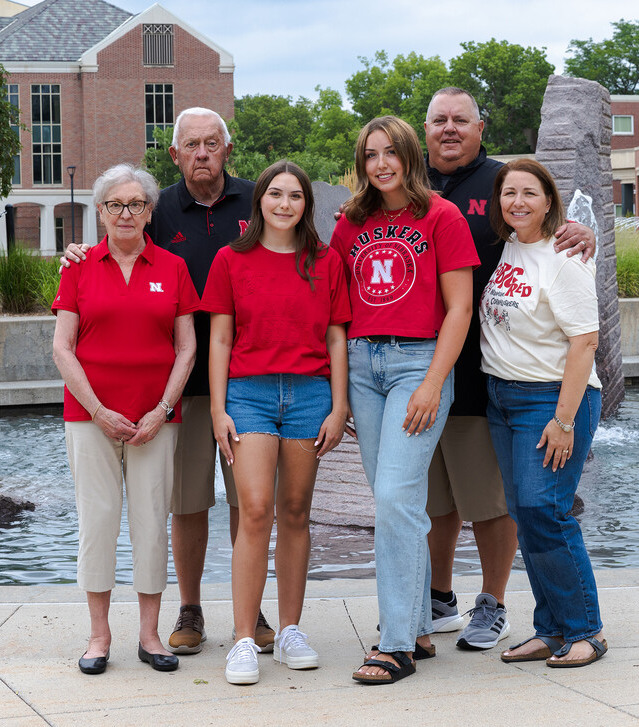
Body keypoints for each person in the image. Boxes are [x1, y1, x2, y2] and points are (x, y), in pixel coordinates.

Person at [62, 108, 278, 654]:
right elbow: (119, 239)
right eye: (191, 145)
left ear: (227, 149)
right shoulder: (160, 210)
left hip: (247, 378)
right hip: (181, 390)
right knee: (185, 505)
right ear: (175, 154)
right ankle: (190, 609)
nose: (202, 153)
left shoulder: (258, 202)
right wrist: (78, 251)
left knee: (248, 503)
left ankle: (249, 614)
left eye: (211, 143)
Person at [421, 87, 596, 650]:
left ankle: (522, 612)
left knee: (520, 506)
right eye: (439, 120)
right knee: (448, 501)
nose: (450, 129)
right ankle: (455, 603)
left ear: (480, 127)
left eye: (461, 120)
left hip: (516, 387)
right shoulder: (404, 181)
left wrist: (581, 232)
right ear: (425, 128)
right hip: (437, 374)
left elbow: (584, 335)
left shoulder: (505, 188)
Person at [329, 116, 478, 685]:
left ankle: (395, 646)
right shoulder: (352, 223)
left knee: (392, 496)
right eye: (371, 155)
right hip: (364, 367)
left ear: (410, 157)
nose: (381, 164)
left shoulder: (442, 217)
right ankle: (416, 624)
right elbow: (338, 311)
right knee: (398, 501)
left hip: (419, 364)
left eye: (391, 153)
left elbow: (459, 309)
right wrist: (341, 393)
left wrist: (434, 382)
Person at [203, 160, 352, 685]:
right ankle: (244, 638)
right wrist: (219, 409)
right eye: (275, 194)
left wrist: (339, 406)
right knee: (255, 510)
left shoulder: (326, 260)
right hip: (250, 393)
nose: (285, 204)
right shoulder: (229, 260)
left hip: (311, 394)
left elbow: (337, 338)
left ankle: (290, 629)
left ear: (306, 204)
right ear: (260, 200)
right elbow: (219, 339)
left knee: (295, 511)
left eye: (295, 196)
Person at [51, 163, 199, 674]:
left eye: (136, 203)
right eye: (115, 204)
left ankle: (151, 635)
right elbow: (62, 348)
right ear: (100, 211)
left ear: (150, 211)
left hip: (156, 419)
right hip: (89, 417)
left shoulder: (174, 268)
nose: (126, 212)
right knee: (98, 521)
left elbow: (187, 349)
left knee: (151, 524)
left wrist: (161, 411)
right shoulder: (78, 267)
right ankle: (98, 636)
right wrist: (97, 410)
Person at [479, 159, 606, 668]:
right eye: (509, 193)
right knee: (525, 516)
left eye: (529, 193)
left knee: (546, 512)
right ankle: (550, 629)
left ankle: (585, 630)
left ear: (549, 200)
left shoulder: (564, 257)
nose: (518, 203)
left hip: (551, 399)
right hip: (502, 399)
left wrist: (564, 420)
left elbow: (586, 342)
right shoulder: (510, 244)